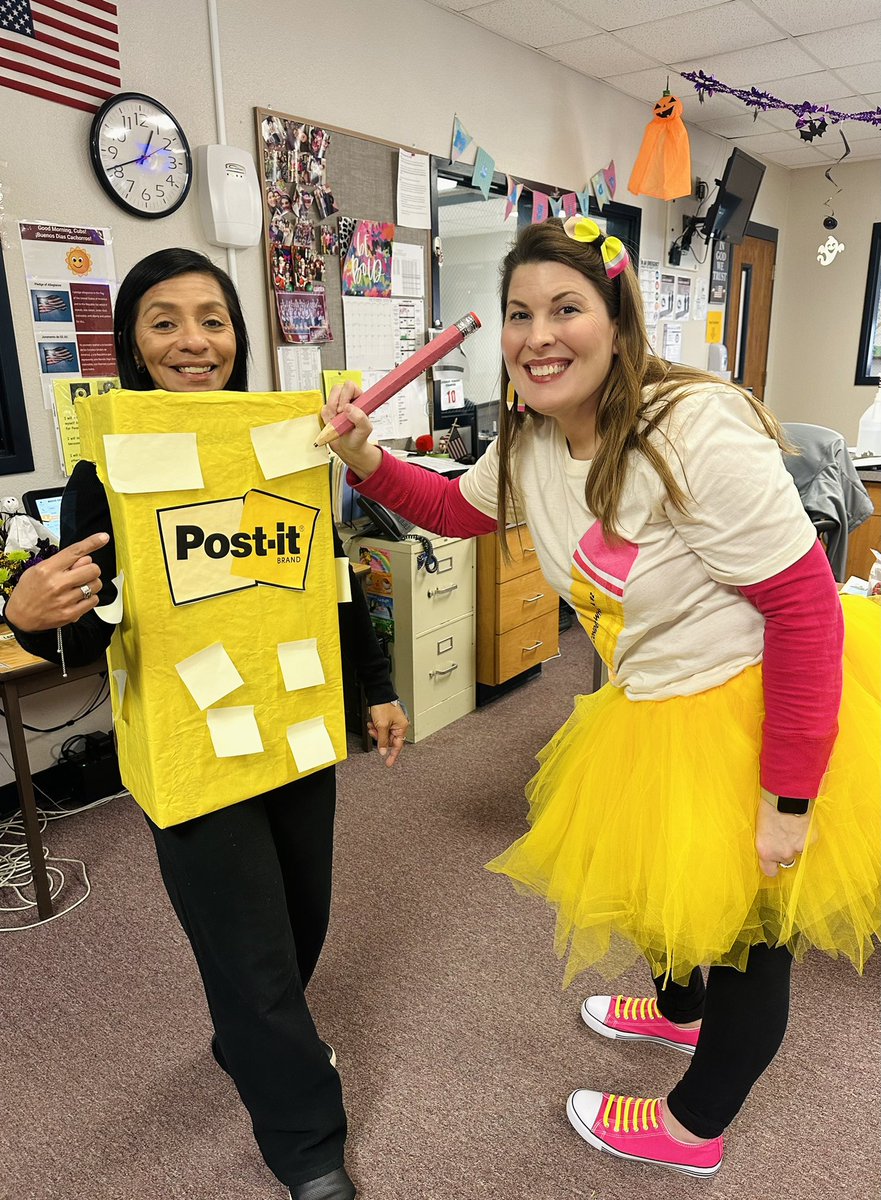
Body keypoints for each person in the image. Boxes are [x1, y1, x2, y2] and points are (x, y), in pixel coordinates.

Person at [321, 216, 879, 1179]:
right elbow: (459, 509)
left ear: (616, 322)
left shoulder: (691, 429)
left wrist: (787, 799)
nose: (539, 334)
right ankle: (674, 1009)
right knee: (659, 875)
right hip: (650, 702)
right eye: (518, 313)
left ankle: (693, 1130)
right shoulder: (535, 435)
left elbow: (804, 612)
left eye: (566, 309)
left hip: (757, 701)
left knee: (750, 932)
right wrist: (365, 459)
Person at [5, 248, 409, 1200]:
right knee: (250, 950)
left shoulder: (286, 443)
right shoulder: (101, 471)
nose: (194, 341)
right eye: (164, 321)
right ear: (132, 346)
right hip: (189, 746)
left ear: (238, 332)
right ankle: (306, 1144)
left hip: (293, 727)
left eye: (212, 319)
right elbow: (82, 639)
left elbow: (336, 578)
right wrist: (26, 615)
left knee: (300, 923)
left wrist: (375, 685)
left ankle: (245, 1042)